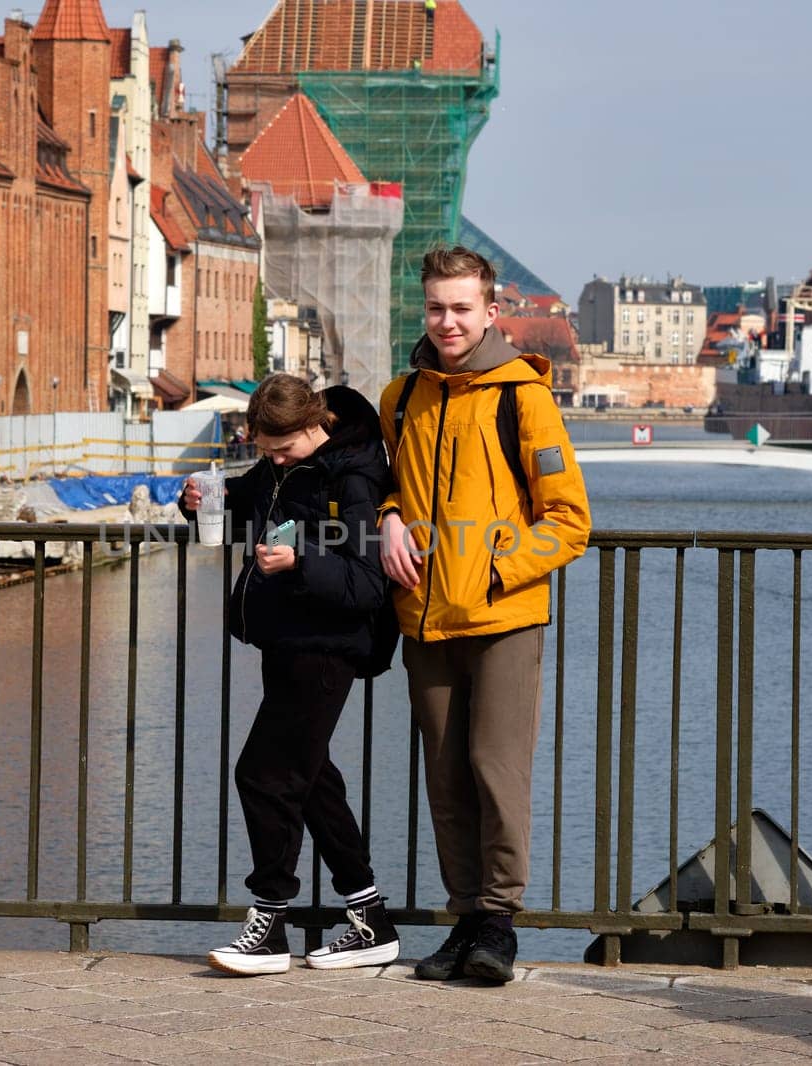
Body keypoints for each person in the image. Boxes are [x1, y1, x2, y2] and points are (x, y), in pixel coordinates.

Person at [378, 246, 591, 983]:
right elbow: (394, 486)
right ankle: (464, 919)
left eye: (462, 308)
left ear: (491, 312)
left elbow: (569, 520)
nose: (448, 321)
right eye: (437, 307)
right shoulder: (400, 397)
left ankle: (498, 925)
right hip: (425, 617)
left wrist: (497, 568)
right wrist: (385, 517)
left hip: (501, 616)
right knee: (445, 777)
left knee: (494, 770)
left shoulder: (522, 397)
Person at [181, 374, 399, 976]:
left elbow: (368, 583)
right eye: (264, 451)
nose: (273, 460)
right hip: (287, 643)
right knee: (311, 781)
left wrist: (303, 560)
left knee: (262, 775)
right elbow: (248, 503)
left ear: (315, 424)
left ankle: (270, 924)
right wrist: (197, 502)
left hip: (328, 649)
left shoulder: (353, 476)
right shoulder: (280, 465)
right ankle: (371, 920)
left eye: (282, 449)